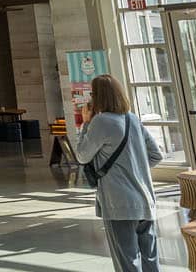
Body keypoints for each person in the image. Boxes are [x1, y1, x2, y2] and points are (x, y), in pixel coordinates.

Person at [76, 74, 163, 272]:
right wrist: (134, 168)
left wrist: (86, 122)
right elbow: (156, 155)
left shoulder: (101, 122)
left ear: (98, 96)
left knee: (127, 261)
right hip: (145, 199)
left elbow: (82, 156)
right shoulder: (132, 119)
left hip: (119, 203)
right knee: (150, 258)